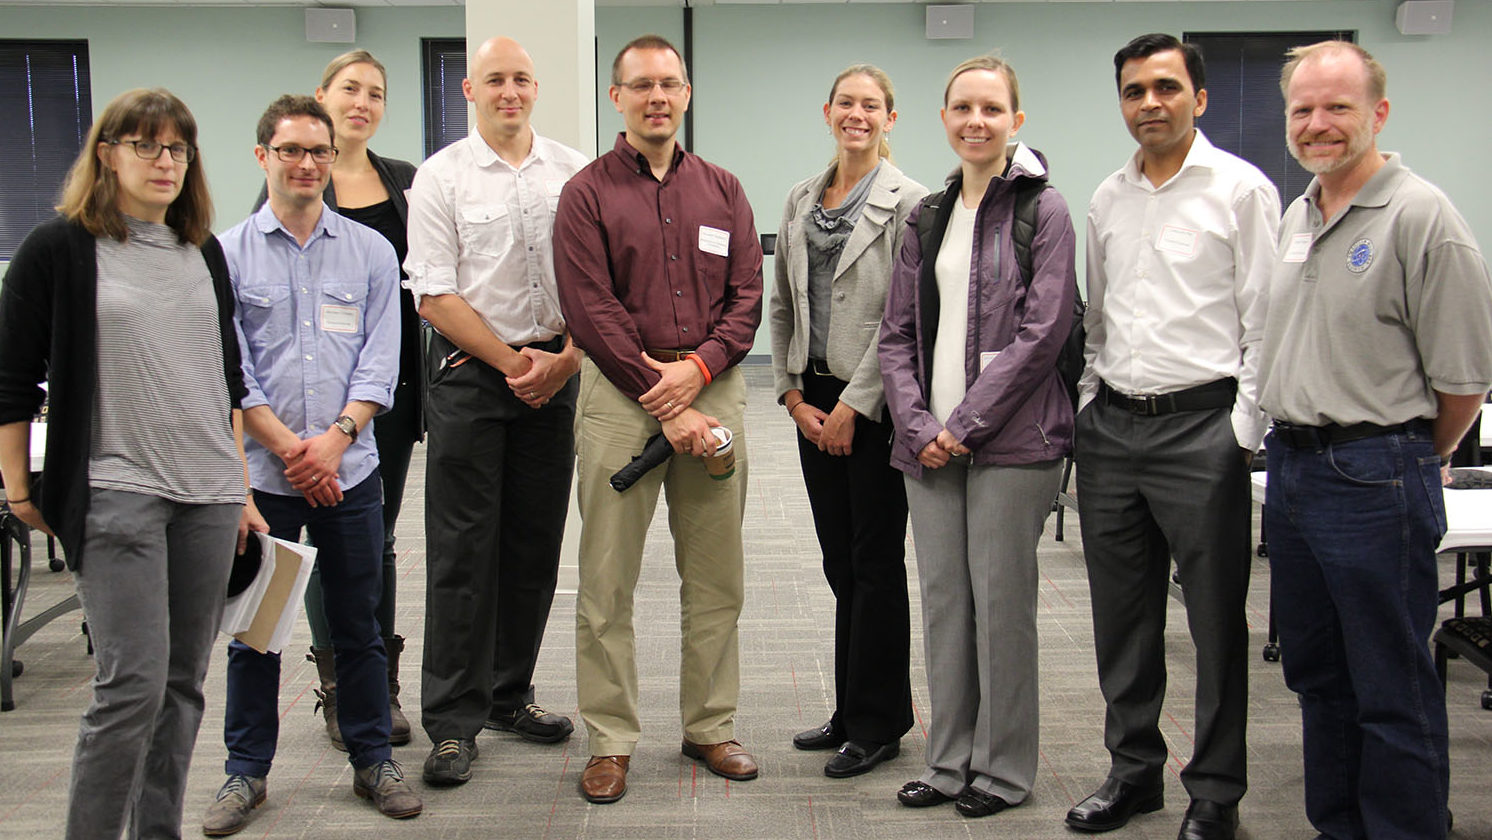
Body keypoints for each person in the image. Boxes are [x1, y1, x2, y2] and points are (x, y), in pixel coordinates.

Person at [0, 88, 266, 840]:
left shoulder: (202, 250)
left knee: (183, 687)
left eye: (177, 147)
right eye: (145, 145)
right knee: (130, 688)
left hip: (209, 496)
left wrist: (240, 489)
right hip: (117, 490)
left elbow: (226, 381)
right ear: (106, 153)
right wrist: (19, 486)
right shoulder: (59, 248)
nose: (164, 161)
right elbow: (13, 381)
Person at [1259, 41, 1492, 840]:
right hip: (1290, 471)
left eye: (1337, 108)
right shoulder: (1301, 213)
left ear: (1379, 114)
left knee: (1391, 682)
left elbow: (1463, 382)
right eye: (1302, 109)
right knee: (1318, 676)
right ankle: (1342, 826)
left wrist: (1405, 454)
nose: (1317, 125)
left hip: (1375, 471)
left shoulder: (1422, 216)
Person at [1068, 34, 1280, 840]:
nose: (1148, 102)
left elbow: (1265, 322)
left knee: (1217, 621)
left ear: (1199, 95)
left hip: (1204, 430)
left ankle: (1217, 791)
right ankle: (1134, 774)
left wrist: (1239, 431)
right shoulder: (1106, 199)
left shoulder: (1241, 191)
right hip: (1114, 427)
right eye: (1133, 90)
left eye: (1164, 87)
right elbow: (1099, 319)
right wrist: (1091, 403)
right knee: (1121, 618)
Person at [553, 34, 764, 805]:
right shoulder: (586, 194)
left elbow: (747, 301)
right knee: (606, 579)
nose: (657, 98)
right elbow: (588, 306)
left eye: (669, 84)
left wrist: (698, 373)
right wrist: (661, 391)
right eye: (641, 85)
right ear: (617, 98)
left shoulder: (725, 190)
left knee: (716, 575)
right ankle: (610, 739)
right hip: (621, 393)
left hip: (715, 385)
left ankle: (710, 724)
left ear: (686, 93)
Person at [203, 95, 420, 835]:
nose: (305, 165)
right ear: (262, 156)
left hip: (350, 472)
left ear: (333, 159)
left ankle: (372, 760)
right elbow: (231, 373)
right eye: (290, 151)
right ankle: (245, 774)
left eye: (318, 153)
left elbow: (382, 361)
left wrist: (331, 440)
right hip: (267, 486)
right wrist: (290, 450)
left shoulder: (371, 251)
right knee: (257, 632)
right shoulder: (225, 255)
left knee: (358, 625)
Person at [878, 56, 1075, 820]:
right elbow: (896, 335)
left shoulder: (1043, 210)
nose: (976, 121)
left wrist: (964, 425)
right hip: (929, 448)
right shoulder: (928, 215)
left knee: (1001, 605)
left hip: (1011, 444)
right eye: (963, 107)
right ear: (944, 117)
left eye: (992, 109)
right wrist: (921, 425)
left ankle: (1002, 769)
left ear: (1015, 121)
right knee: (944, 604)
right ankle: (949, 759)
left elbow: (1043, 331)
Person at [404, 35, 588, 786]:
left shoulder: (573, 170)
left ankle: (509, 695)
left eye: (520, 79)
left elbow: (597, 281)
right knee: (462, 551)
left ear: (535, 88)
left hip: (558, 369)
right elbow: (435, 295)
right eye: (493, 80)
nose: (508, 91)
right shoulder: (440, 176)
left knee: (534, 545)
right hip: (474, 375)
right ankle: (452, 723)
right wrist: (516, 365)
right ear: (469, 91)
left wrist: (567, 358)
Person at [253, 48, 422, 752]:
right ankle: (333, 681)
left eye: (375, 93)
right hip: (290, 416)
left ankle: (373, 681)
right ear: (322, 95)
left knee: (372, 541)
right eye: (349, 89)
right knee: (300, 549)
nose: (362, 102)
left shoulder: (406, 183)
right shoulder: (277, 192)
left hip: (386, 394)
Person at [769, 63, 925, 779]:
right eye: (847, 104)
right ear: (827, 111)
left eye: (872, 105)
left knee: (874, 563)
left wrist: (853, 408)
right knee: (840, 566)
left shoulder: (911, 203)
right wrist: (794, 396)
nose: (857, 115)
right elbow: (781, 306)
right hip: (813, 403)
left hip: (875, 408)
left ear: (889, 117)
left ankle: (879, 723)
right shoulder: (804, 196)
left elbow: (904, 320)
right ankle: (856, 707)